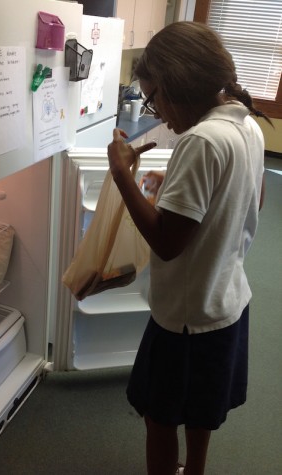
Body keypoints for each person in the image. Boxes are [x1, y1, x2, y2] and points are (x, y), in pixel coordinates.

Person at [107, 21, 271, 475]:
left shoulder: (200, 141)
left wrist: (124, 177)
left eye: (153, 98)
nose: (156, 112)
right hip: (227, 301)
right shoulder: (246, 123)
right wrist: (175, 192)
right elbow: (246, 199)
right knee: (201, 409)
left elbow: (167, 244)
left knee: (160, 418)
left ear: (176, 83)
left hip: (185, 319)